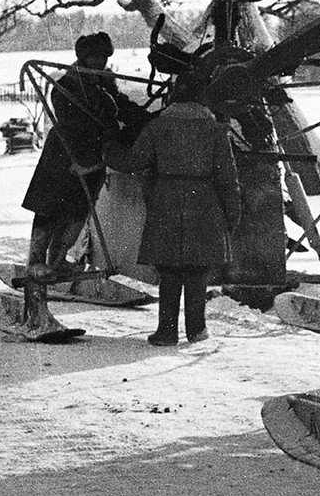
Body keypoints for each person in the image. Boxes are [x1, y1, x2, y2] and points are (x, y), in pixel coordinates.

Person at [103, 68, 241, 346]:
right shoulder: (216, 130)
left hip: (166, 199)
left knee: (169, 270)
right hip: (204, 201)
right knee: (197, 269)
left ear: (174, 95)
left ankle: (166, 332)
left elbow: (134, 162)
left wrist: (107, 150)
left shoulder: (158, 126)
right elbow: (228, 178)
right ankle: (197, 329)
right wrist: (232, 214)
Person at [22, 32, 136, 275]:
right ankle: (36, 260)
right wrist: (107, 129)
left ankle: (58, 259)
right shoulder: (66, 85)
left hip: (94, 156)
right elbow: (73, 121)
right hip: (64, 153)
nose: (101, 62)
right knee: (49, 207)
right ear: (83, 57)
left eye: (104, 57)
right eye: (95, 57)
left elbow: (122, 107)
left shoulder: (105, 84)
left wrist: (142, 120)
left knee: (79, 209)